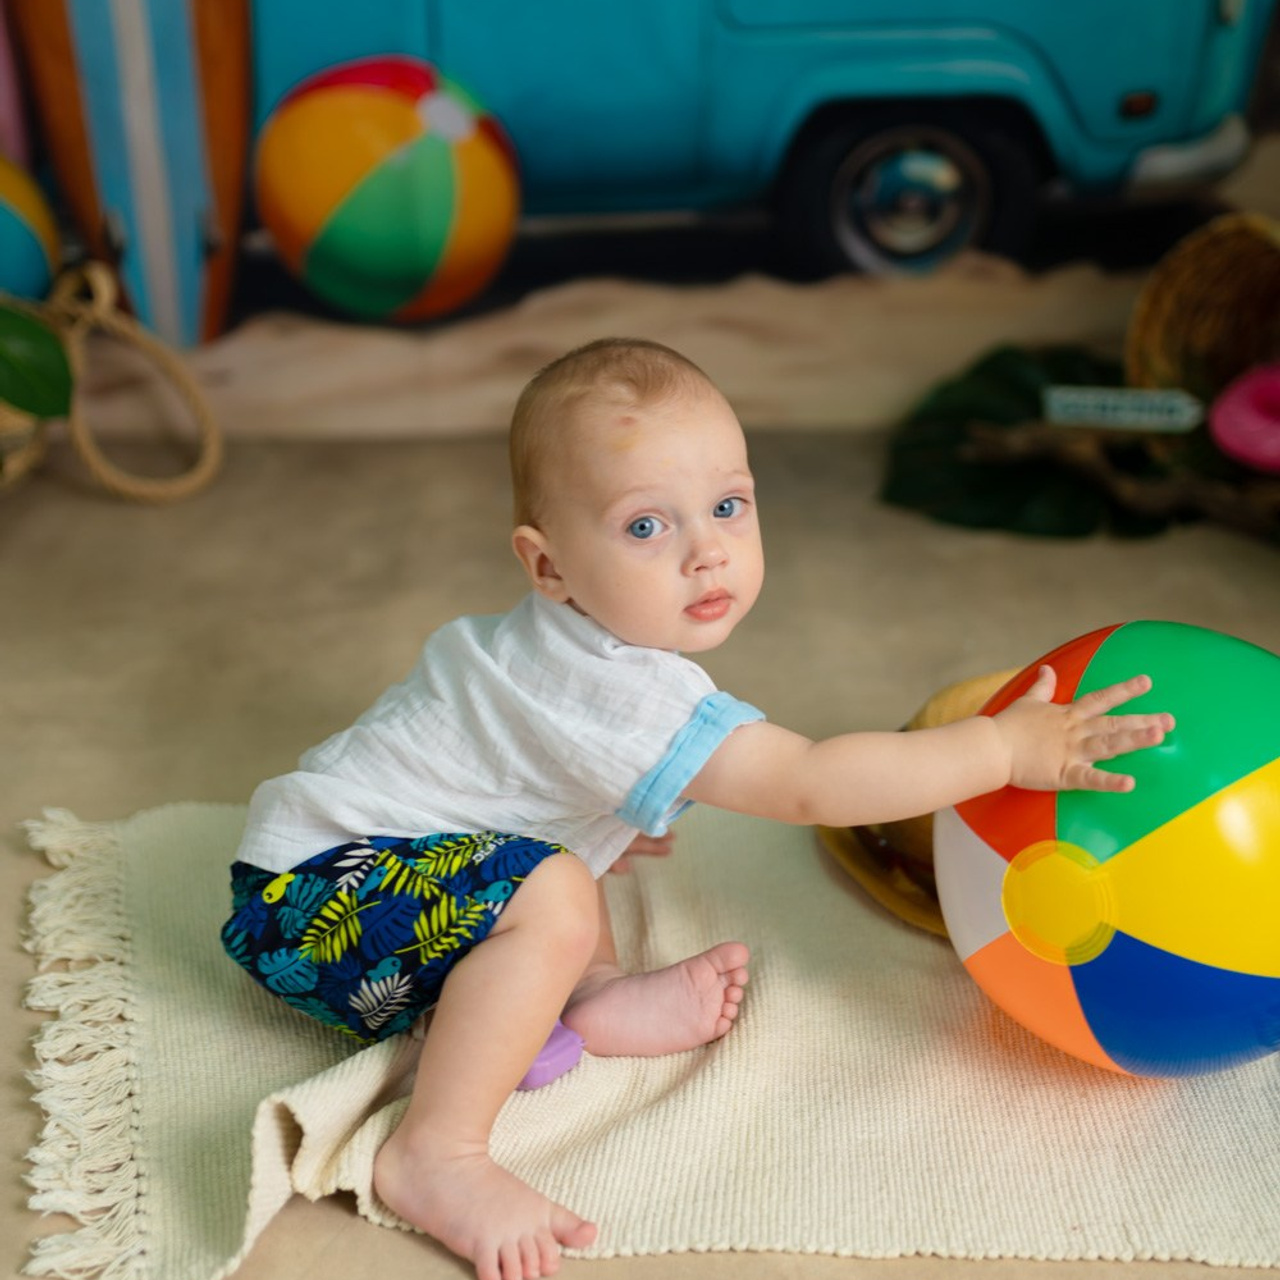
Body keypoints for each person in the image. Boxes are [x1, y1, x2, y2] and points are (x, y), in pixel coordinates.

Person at [222, 337, 1174, 1280]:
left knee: (558, 861)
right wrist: (1002, 750)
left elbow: (501, 780)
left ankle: (580, 999)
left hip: (345, 886)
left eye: (727, 506)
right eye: (646, 527)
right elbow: (810, 783)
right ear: (548, 567)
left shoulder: (566, 648)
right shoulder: (618, 693)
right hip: (311, 908)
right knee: (551, 881)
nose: (707, 552)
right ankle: (438, 1152)